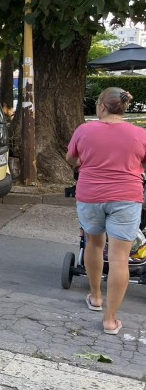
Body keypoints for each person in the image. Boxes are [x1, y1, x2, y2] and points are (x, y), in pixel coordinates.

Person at [66, 87, 146, 336]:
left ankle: (96, 297)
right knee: (121, 257)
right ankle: (110, 320)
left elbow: (71, 158)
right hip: (127, 197)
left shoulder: (84, 130)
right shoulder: (140, 134)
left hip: (91, 195)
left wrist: (84, 162)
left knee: (94, 243)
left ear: (101, 106)